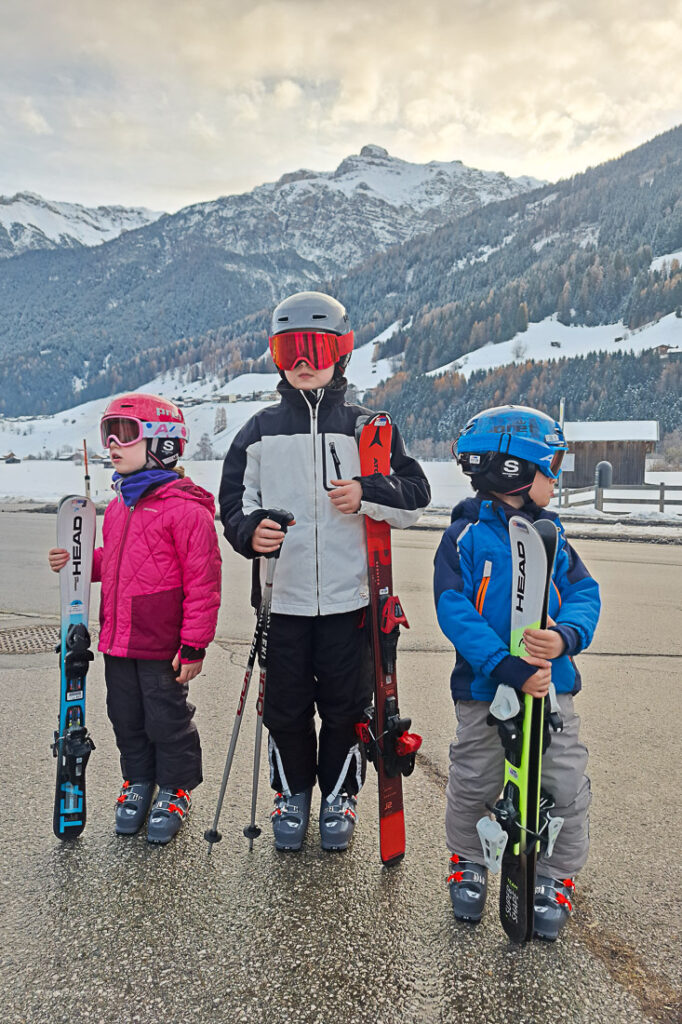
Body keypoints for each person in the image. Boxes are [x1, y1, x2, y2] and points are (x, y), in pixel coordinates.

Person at [219, 291, 430, 852]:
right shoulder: (257, 432)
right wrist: (251, 533)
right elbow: (234, 508)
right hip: (281, 605)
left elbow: (414, 497)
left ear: (342, 350)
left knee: (344, 707)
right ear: (276, 355)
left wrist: (367, 492)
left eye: (315, 346)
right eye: (290, 348)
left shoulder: (367, 427)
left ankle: (339, 794)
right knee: (284, 709)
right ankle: (292, 794)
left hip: (349, 603)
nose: (303, 360)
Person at [433, 404, 600, 941]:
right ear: (516, 472)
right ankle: (468, 861)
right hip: (485, 689)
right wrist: (503, 665)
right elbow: (452, 607)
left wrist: (565, 637)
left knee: (564, 781)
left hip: (552, 689)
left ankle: (553, 876)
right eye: (551, 468)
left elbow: (584, 593)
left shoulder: (553, 536)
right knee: (475, 778)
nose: (556, 478)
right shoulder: (465, 537)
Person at [48, 394, 221, 845]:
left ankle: (176, 787)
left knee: (167, 718)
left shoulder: (186, 510)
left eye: (124, 433)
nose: (111, 443)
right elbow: (116, 559)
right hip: (119, 639)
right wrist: (79, 562)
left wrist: (195, 644)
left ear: (163, 443)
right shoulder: (120, 505)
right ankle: (139, 781)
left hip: (162, 643)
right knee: (125, 717)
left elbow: (204, 583)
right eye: (108, 431)